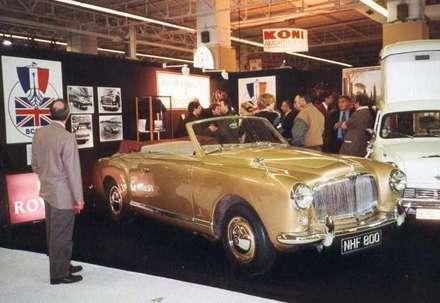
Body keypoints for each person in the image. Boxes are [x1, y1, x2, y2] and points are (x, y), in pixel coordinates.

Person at [31, 99, 84, 285]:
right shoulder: (67, 137)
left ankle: (63, 264)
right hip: (63, 195)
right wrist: (79, 198)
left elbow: (35, 165)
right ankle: (59, 274)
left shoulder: (39, 133)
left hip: (47, 191)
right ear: (68, 115)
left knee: (53, 232)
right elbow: (73, 172)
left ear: (50, 114)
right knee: (62, 234)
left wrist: (48, 178)